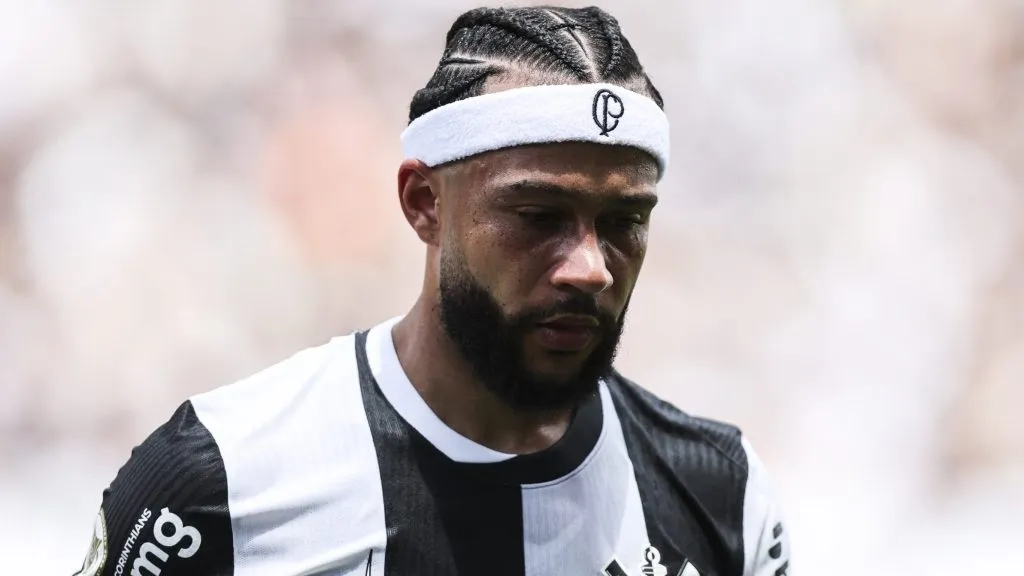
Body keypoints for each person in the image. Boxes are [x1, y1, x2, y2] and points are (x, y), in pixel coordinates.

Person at [73, 6, 791, 576]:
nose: (590, 266)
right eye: (538, 216)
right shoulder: (219, 482)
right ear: (424, 202)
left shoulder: (719, 493)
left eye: (624, 222)